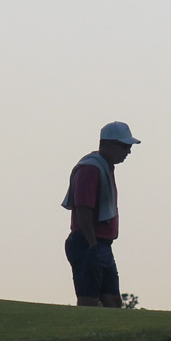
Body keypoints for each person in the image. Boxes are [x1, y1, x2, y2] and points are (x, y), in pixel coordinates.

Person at [63, 121, 140, 307]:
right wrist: (92, 244)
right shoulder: (91, 169)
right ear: (108, 144)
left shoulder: (103, 167)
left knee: (113, 301)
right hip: (87, 242)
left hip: (101, 244)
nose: (128, 151)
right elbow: (83, 209)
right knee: (88, 299)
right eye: (124, 146)